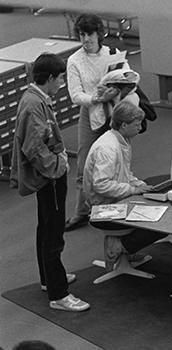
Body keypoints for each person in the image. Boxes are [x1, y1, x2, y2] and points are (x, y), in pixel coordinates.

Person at [9, 53, 90, 312]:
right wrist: (57, 167)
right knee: (53, 234)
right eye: (61, 78)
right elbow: (33, 147)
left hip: (48, 177)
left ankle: (48, 279)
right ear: (51, 78)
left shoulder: (35, 99)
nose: (63, 83)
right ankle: (59, 294)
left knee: (45, 228)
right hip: (49, 178)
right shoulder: (34, 105)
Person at [65, 13, 131, 231]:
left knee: (118, 159)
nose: (86, 39)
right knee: (84, 164)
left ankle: (119, 207)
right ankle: (81, 211)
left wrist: (114, 91)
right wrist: (96, 98)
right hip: (90, 112)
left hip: (115, 110)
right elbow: (75, 95)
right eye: (82, 35)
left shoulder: (112, 54)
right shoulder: (74, 61)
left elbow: (129, 78)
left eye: (90, 34)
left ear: (99, 34)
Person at [83, 101, 166, 270]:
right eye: (136, 124)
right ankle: (119, 247)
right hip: (102, 209)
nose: (140, 128)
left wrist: (141, 185)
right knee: (160, 223)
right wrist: (133, 190)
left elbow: (124, 174)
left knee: (157, 208)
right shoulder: (108, 148)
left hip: (114, 200)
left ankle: (126, 250)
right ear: (123, 124)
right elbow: (101, 185)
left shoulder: (121, 140)